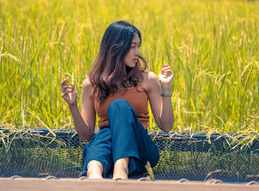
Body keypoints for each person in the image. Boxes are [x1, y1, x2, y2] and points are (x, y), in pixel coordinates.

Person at [60, 20, 174, 179]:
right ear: (116, 48)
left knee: (118, 107)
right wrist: (72, 106)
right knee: (103, 141)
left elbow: (167, 126)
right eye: (132, 46)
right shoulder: (91, 85)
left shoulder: (147, 79)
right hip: (107, 146)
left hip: (140, 149)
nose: (137, 52)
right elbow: (86, 135)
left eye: (138, 46)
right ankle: (95, 174)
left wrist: (166, 87)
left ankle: (121, 168)